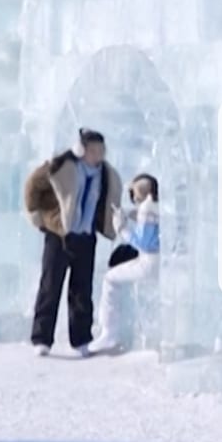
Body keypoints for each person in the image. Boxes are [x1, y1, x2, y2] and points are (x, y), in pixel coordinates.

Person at [23, 128, 123, 356]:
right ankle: (42, 338)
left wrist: (112, 225)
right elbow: (33, 185)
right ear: (82, 150)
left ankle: (81, 340)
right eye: (94, 150)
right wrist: (36, 214)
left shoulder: (106, 174)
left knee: (82, 289)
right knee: (50, 285)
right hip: (59, 234)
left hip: (86, 236)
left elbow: (111, 200)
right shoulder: (61, 166)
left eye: (101, 150)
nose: (98, 154)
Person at [89, 173, 161, 354]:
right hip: (159, 261)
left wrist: (122, 229)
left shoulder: (146, 208)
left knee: (110, 279)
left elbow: (144, 243)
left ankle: (109, 331)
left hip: (149, 261)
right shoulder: (156, 205)